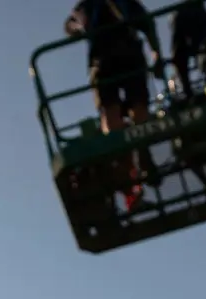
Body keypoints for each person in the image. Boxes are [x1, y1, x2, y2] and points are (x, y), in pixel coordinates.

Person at [64, 0, 163, 211]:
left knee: (125, 115)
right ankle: (138, 167)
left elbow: (146, 23)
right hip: (114, 58)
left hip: (114, 57)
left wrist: (156, 54)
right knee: (122, 117)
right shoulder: (88, 7)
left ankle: (139, 164)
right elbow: (70, 26)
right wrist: (156, 54)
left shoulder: (94, 6)